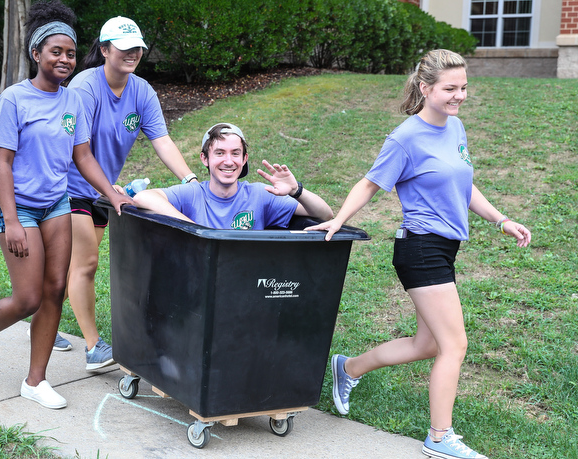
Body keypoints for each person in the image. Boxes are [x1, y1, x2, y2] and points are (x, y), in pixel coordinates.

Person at [305, 49, 531, 459]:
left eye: (463, 87)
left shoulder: (456, 128)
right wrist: (338, 219)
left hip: (444, 249)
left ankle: (348, 367)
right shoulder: (406, 137)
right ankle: (440, 437)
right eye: (449, 89)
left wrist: (500, 219)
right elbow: (370, 183)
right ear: (425, 88)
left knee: (429, 343)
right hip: (420, 247)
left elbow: (464, 185)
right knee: (454, 345)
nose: (459, 95)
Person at [0, 0, 132, 409]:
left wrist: (111, 194)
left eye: (71, 53)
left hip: (57, 202)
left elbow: (83, 156)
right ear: (36, 54)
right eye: (56, 51)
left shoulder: (74, 101)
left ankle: (35, 381)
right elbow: (1, 164)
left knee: (55, 289)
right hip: (17, 204)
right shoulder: (13, 100)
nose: (65, 59)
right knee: (28, 298)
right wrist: (13, 220)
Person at [58, 16, 198, 372]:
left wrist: (190, 179)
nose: (132, 53)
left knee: (73, 266)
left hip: (105, 193)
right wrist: (107, 186)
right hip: (69, 188)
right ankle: (93, 346)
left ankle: (43, 315)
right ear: (104, 50)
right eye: (124, 48)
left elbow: (161, 141)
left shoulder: (141, 91)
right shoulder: (84, 87)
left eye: (137, 48)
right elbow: (79, 149)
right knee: (86, 263)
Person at [132, 123, 334, 228]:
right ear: (205, 159)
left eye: (235, 153)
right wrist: (193, 228)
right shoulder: (193, 194)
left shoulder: (259, 195)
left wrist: (296, 190)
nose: (228, 161)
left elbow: (324, 215)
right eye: (219, 153)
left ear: (244, 159)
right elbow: (143, 196)